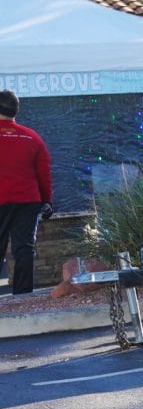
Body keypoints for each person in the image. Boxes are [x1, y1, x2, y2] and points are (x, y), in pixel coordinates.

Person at [0, 91, 53, 295]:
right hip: (28, 200)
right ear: (16, 111)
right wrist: (47, 200)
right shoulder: (32, 137)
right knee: (24, 249)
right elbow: (44, 172)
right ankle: (24, 297)